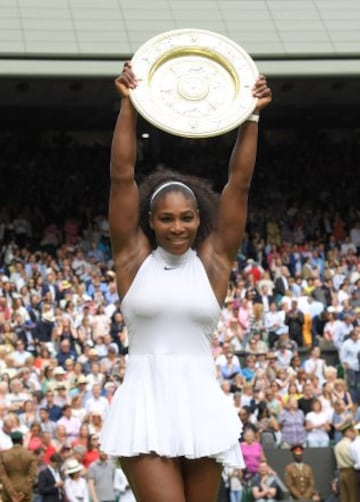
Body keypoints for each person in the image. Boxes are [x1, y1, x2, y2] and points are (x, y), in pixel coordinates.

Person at [99, 61, 272, 501]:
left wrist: (251, 115)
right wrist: (128, 105)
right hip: (145, 402)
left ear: (201, 219)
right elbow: (122, 176)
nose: (178, 227)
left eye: (187, 218)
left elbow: (240, 184)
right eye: (167, 219)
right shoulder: (132, 259)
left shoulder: (214, 263)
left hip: (200, 402)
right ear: (150, 222)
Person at [0, 430, 37, 502]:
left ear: (12, 440)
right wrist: (23, 492)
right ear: (22, 440)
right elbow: (32, 475)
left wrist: (11, 492)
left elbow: (2, 476)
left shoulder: (3, 455)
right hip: (25, 494)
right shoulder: (30, 455)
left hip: (8, 494)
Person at [334, 421, 358, 502]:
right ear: (347, 432)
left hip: (341, 473)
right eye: (352, 431)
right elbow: (354, 459)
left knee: (344, 497)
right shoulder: (351, 445)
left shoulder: (337, 445)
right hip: (351, 472)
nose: (354, 433)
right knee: (354, 496)